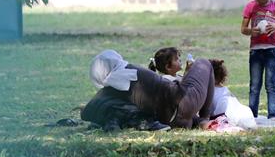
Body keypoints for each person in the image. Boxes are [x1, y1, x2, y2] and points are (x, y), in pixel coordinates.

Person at [81, 49, 214, 130]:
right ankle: (204, 118)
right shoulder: (130, 70)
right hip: (185, 101)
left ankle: (199, 121)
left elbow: (86, 112)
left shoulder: (109, 91)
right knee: (204, 63)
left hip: (174, 122)